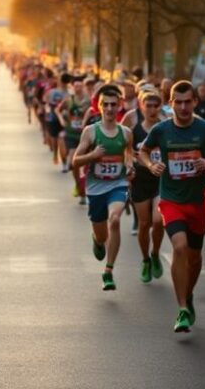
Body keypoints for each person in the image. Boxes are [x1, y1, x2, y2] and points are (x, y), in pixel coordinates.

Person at [139, 80, 205, 333]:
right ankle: (181, 309)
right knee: (179, 247)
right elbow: (144, 152)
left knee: (194, 257)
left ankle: (188, 294)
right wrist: (150, 165)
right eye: (177, 102)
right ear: (171, 104)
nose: (182, 107)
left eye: (187, 102)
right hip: (171, 199)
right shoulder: (161, 130)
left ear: (194, 102)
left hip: (198, 201)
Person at [72, 84, 135, 292]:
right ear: (99, 107)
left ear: (119, 106)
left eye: (113, 105)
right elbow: (76, 161)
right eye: (105, 105)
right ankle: (98, 241)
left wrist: (129, 165)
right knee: (101, 233)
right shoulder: (91, 132)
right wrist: (93, 156)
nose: (109, 108)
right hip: (96, 187)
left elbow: (129, 154)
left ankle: (108, 271)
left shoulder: (126, 133)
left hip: (118, 184)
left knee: (115, 219)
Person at [131, 89, 166, 283]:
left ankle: (155, 253)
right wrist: (130, 166)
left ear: (160, 107)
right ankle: (145, 259)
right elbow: (126, 154)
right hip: (140, 180)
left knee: (158, 221)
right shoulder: (134, 130)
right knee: (144, 224)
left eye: (155, 105)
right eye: (148, 105)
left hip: (161, 180)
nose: (152, 109)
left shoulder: (165, 129)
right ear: (141, 107)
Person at [56, 76, 90, 198]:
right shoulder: (69, 100)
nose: (78, 88)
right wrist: (61, 120)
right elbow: (58, 110)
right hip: (71, 134)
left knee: (85, 164)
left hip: (84, 136)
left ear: (83, 87)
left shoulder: (88, 101)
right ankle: (78, 185)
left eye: (80, 86)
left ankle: (84, 187)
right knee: (73, 163)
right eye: (76, 86)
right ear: (73, 87)